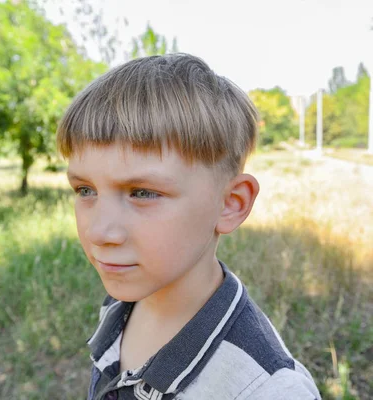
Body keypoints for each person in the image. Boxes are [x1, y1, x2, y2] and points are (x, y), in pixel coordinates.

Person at [56, 53, 320, 400]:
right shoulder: (121, 304)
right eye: (85, 190)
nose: (98, 233)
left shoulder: (268, 391)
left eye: (143, 192)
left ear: (231, 204)